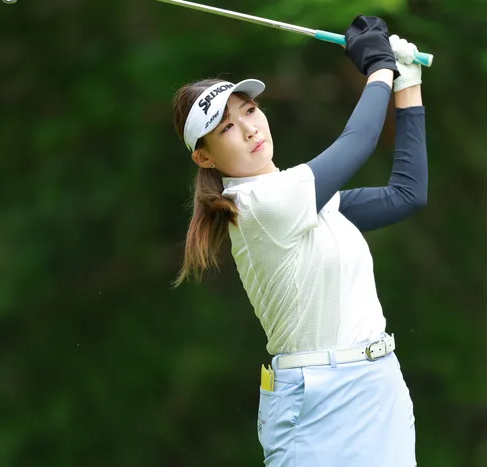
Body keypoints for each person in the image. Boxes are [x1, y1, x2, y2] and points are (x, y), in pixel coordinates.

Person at [170, 15, 427, 467]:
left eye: (250, 110)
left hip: (380, 389)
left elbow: (407, 194)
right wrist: (379, 67)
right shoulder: (259, 206)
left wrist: (407, 84)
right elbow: (359, 140)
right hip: (317, 405)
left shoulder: (305, 198)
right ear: (204, 157)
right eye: (226, 127)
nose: (249, 129)